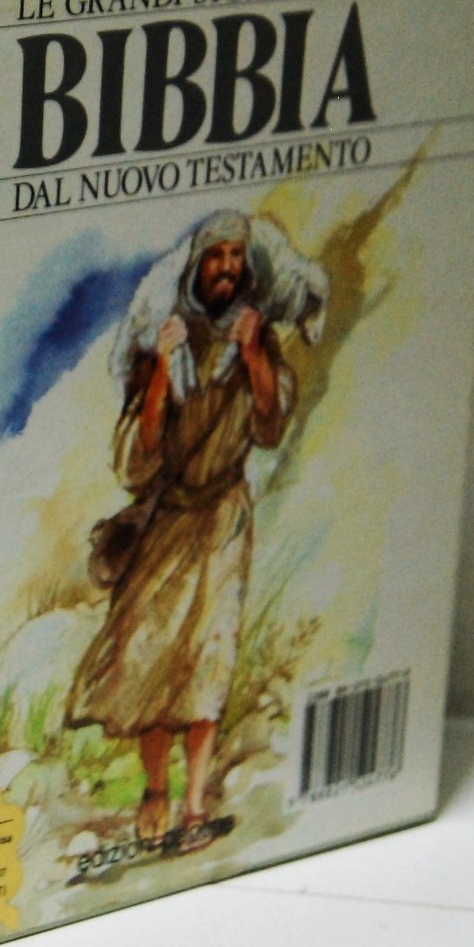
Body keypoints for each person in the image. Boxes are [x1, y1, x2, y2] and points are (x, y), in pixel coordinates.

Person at [68, 208, 299, 852]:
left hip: (223, 520)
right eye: (216, 256)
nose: (226, 268)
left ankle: (195, 807)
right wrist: (165, 369)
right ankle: (155, 793)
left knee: (208, 660)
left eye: (235, 257)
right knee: (150, 658)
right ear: (197, 266)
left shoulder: (256, 337)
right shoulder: (165, 339)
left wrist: (252, 353)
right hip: (167, 521)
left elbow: (270, 424)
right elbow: (137, 459)